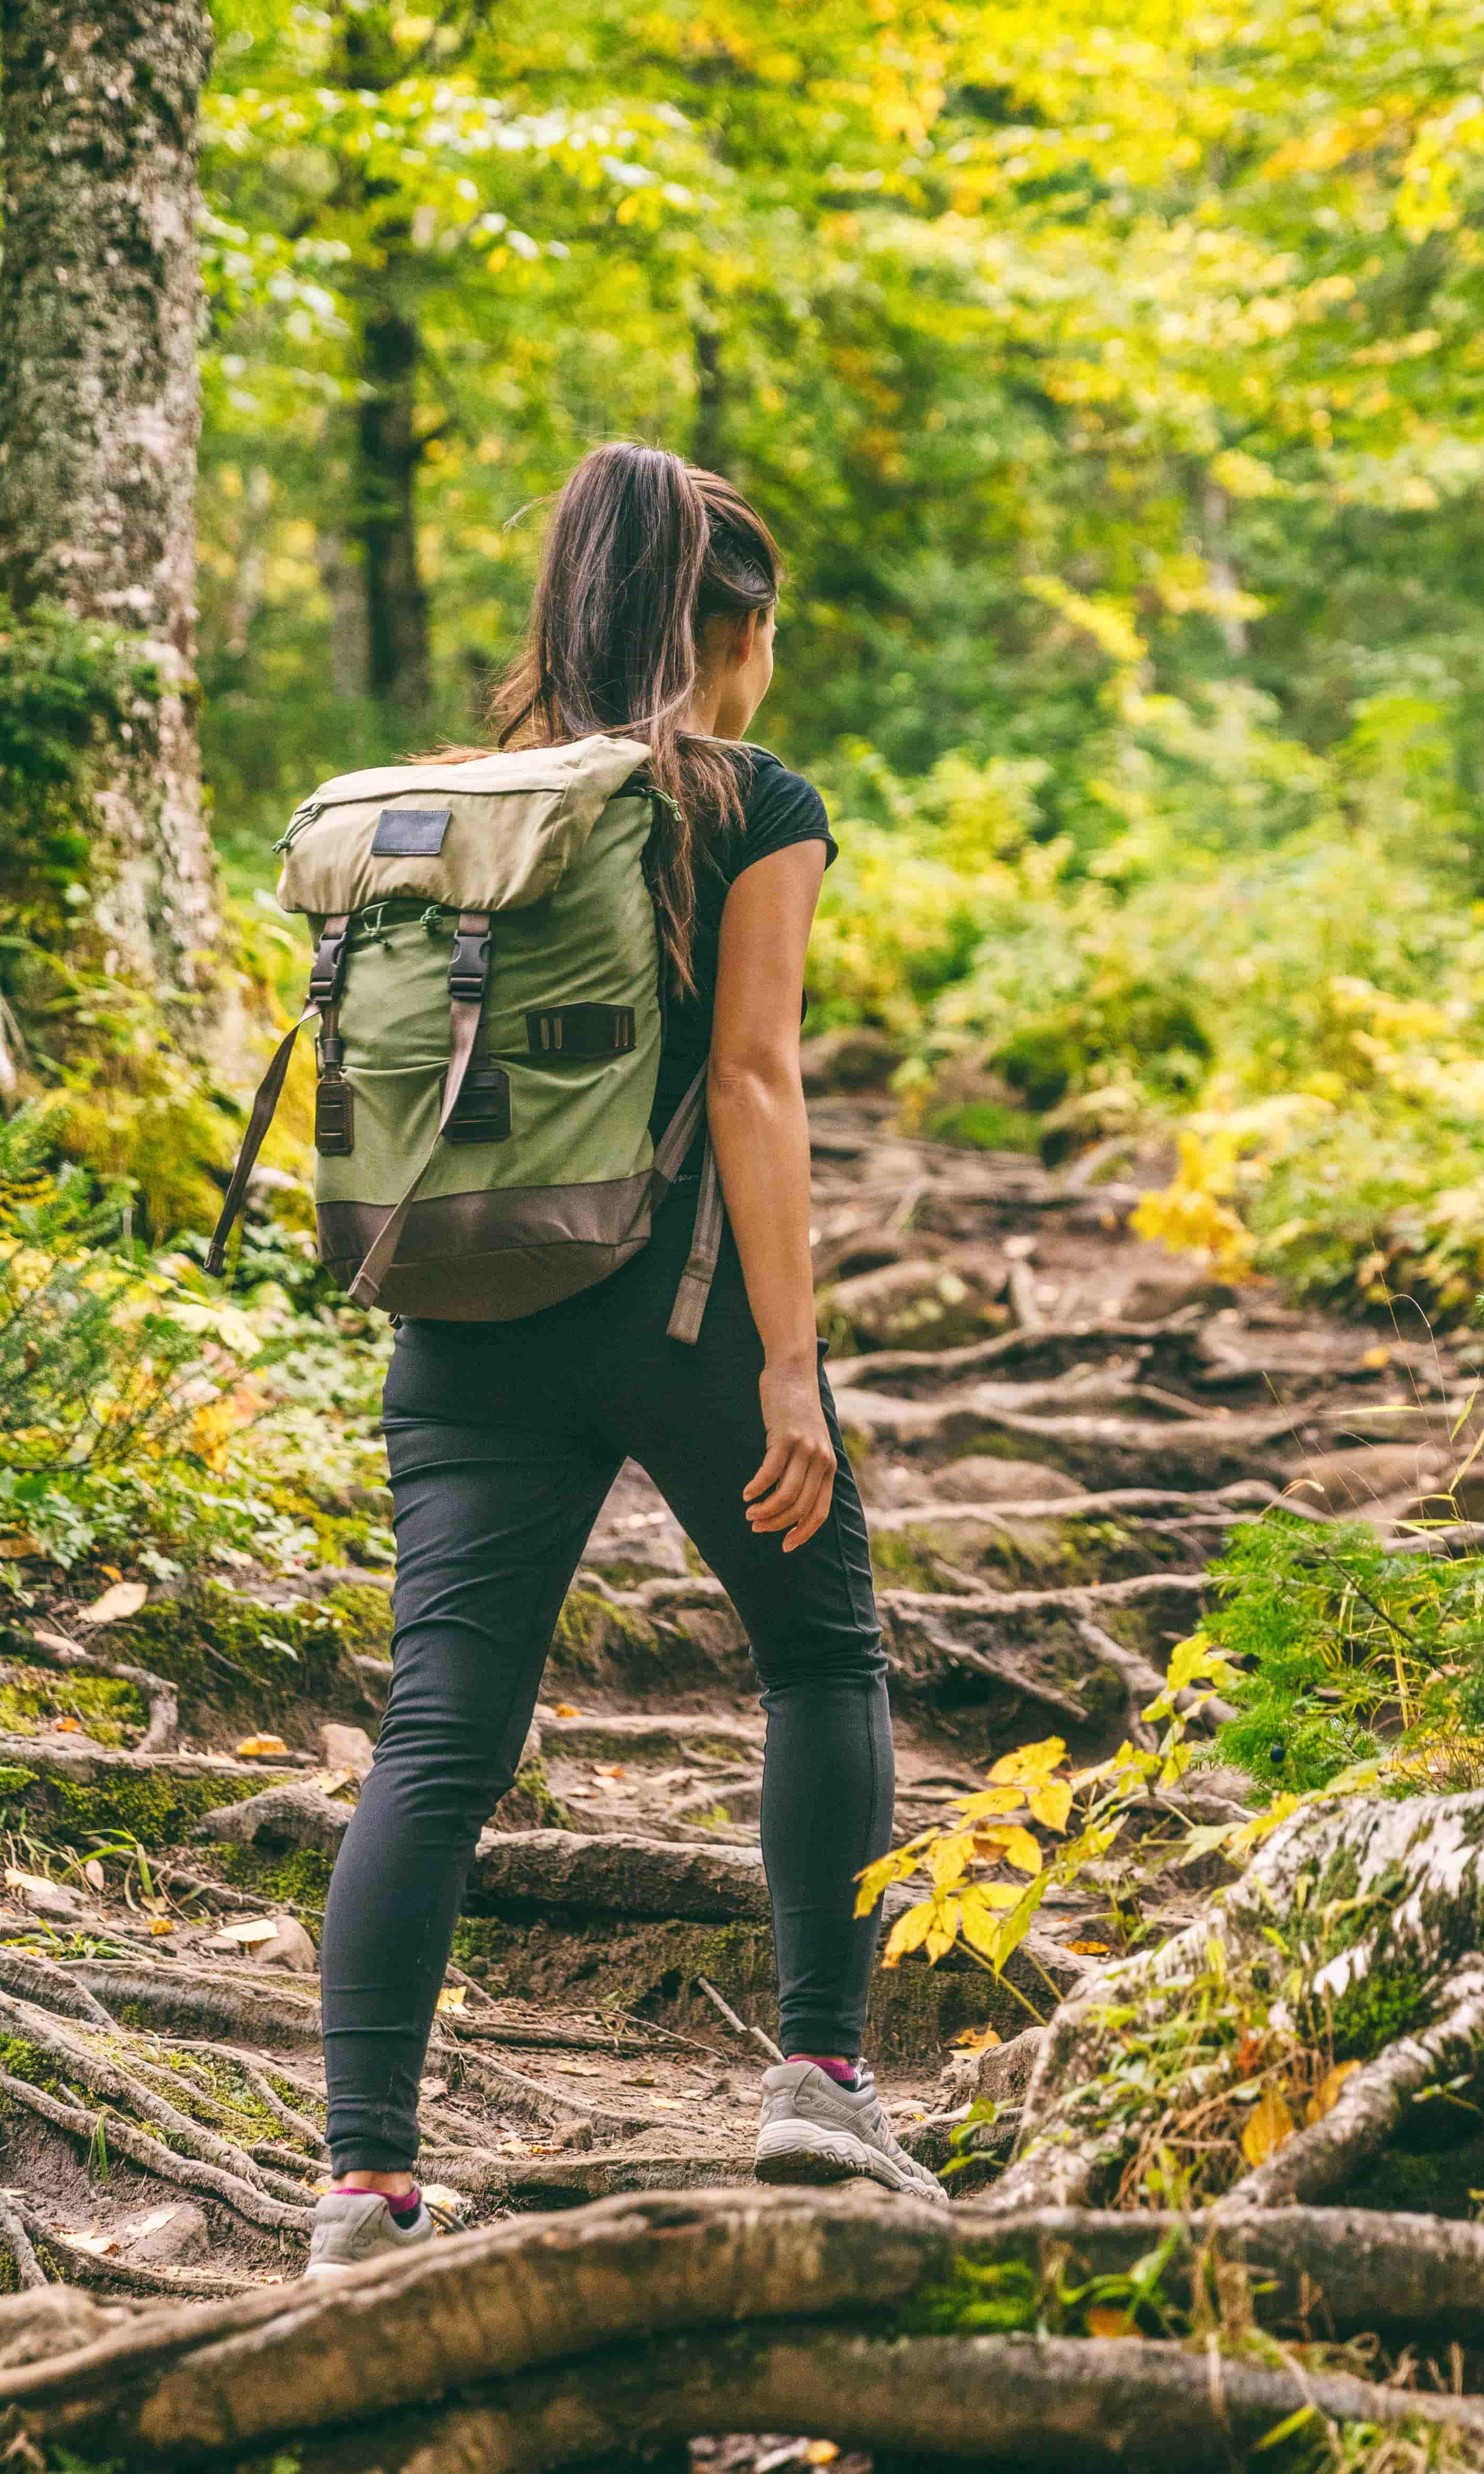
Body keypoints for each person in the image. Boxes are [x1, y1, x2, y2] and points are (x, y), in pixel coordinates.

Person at [303, 442, 945, 2276]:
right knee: (825, 1655)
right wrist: (789, 1366)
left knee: (437, 1733)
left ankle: (361, 2181)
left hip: (465, 1321)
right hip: (680, 1321)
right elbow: (753, 1076)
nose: (770, 674)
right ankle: (820, 2076)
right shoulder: (749, 798)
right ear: (722, 627)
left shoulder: (456, 801)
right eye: (766, 635)